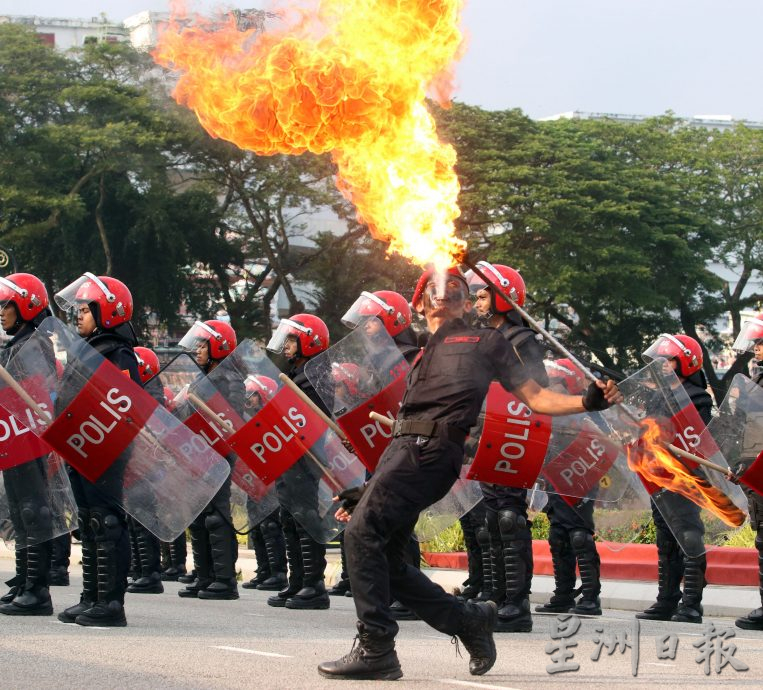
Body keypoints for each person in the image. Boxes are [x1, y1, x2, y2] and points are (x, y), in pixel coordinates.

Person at [318, 266, 621, 680]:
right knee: (385, 558)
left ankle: (377, 648)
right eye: (436, 288)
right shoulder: (422, 351)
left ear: (465, 302)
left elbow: (537, 397)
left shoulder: (485, 341)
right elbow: (406, 422)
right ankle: (469, 621)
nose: (447, 293)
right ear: (419, 303)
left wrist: (588, 401)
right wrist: (369, 488)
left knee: (359, 535)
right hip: (402, 454)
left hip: (431, 453)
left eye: (457, 288)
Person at [55, 273, 140, 626]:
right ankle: (91, 594)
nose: (78, 316)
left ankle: (111, 603)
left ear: (107, 312)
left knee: (106, 522)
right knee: (89, 523)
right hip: (81, 447)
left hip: (104, 450)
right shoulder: (88, 350)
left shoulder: (118, 354)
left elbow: (125, 407)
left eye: (86, 310)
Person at [636, 333, 712, 624]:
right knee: (666, 540)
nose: (661, 366)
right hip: (660, 477)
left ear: (685, 363)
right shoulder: (658, 396)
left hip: (686, 479)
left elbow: (700, 441)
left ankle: (692, 603)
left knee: (689, 537)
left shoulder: (697, 398)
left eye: (666, 361)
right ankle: (666, 600)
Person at [266, 313, 332, 610]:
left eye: (292, 340)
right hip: (288, 455)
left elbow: (311, 420)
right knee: (289, 518)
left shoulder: (315, 377)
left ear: (310, 341)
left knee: (305, 517)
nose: (287, 346)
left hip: (305, 457)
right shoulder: (295, 375)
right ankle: (296, 582)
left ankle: (313, 585)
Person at [0, 273, 57, 616]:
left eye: (6, 304)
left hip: (29, 439)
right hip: (13, 438)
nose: (1, 311)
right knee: (22, 514)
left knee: (34, 511)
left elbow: (40, 392)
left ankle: (38, 590)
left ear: (26, 306)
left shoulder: (36, 344)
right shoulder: (15, 345)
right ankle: (23, 581)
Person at [177, 319, 243, 601]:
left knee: (217, 517)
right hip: (198, 455)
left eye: (203, 345)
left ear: (219, 346)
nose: (198, 350)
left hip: (218, 455)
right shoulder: (202, 378)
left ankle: (224, 579)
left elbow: (233, 420)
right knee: (200, 517)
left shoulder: (230, 380)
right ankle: (204, 576)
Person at [535, 358, 602, 616]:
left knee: (579, 535)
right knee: (558, 537)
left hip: (579, 479)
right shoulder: (548, 411)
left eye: (555, 384)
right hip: (555, 480)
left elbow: (604, 445)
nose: (550, 389)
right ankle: (563, 594)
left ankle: (591, 596)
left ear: (570, 384)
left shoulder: (583, 412)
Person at [240, 375, 287, 593]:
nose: (248, 399)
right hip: (254, 480)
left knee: (270, 525)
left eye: (252, 394)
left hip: (270, 481)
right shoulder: (248, 418)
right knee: (255, 526)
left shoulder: (272, 418)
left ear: (263, 395)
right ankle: (263, 570)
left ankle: (277, 572)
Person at [731, 313, 763, 630]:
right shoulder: (755, 381)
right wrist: (739, 462)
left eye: (761, 342)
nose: (756, 347)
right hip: (754, 468)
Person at [125, 347, 165, 595]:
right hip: (134, 464)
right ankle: (140, 570)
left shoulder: (151, 396)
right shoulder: (143, 393)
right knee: (133, 517)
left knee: (143, 518)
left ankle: (150, 573)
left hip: (146, 466)